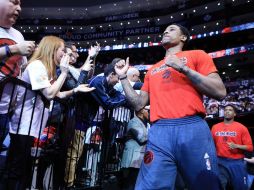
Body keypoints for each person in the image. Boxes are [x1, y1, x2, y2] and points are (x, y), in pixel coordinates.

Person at [114, 23, 226, 189]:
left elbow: (220, 91)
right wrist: (123, 79)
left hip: (192, 128)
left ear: (184, 37)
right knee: (149, 186)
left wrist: (183, 68)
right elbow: (138, 103)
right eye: (165, 30)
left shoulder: (197, 55)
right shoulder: (152, 69)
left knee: (206, 185)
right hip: (159, 133)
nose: (166, 31)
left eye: (172, 29)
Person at [6, 36, 94, 190]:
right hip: (23, 125)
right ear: (52, 49)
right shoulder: (37, 66)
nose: (64, 54)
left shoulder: (45, 68)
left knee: (24, 171)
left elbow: (58, 94)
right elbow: (50, 94)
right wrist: (64, 72)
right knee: (16, 171)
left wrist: (75, 89)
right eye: (62, 50)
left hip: (31, 126)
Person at [62, 42, 100, 188]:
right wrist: (89, 58)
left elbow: (87, 74)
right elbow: (77, 86)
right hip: (71, 117)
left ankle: (70, 180)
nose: (77, 55)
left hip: (78, 116)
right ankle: (68, 184)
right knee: (72, 153)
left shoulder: (72, 69)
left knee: (76, 152)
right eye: (74, 52)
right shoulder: (63, 70)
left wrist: (93, 58)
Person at [0, 0, 35, 150]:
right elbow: (15, 51)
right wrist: (12, 49)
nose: (19, 8)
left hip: (5, 108)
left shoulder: (18, 35)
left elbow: (22, 68)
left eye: (20, 4)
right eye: (14, 2)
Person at [211, 105, 253, 190]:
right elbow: (211, 144)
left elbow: (250, 147)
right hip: (220, 162)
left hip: (236, 162)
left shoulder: (242, 128)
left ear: (234, 114)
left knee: (240, 187)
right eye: (225, 110)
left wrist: (236, 145)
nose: (227, 111)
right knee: (219, 186)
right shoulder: (215, 127)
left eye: (230, 110)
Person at [121, 107, 149, 190]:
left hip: (137, 161)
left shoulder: (143, 123)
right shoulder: (134, 122)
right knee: (130, 184)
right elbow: (142, 138)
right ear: (141, 112)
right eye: (148, 111)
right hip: (132, 160)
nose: (149, 113)